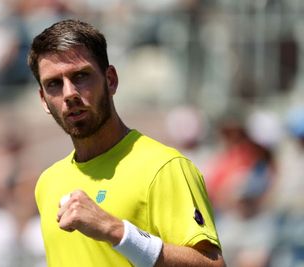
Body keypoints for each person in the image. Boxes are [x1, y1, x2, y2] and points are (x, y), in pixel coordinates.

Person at [27, 19, 225, 267]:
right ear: (44, 100)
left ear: (110, 80)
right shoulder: (47, 182)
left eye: (80, 76)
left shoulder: (164, 167)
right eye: (54, 84)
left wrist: (117, 231)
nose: (69, 94)